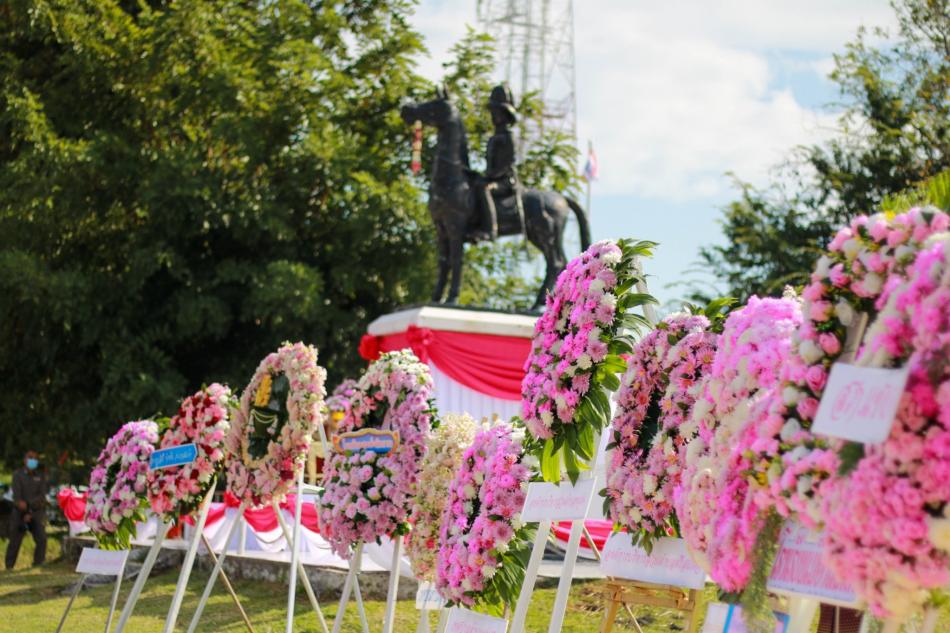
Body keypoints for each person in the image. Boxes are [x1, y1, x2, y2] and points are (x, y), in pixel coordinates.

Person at [475, 84, 519, 242]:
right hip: (493, 177)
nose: (493, 115)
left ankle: (490, 229)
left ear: (505, 114)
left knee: (485, 189)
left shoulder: (508, 136)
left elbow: (508, 164)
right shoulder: (494, 137)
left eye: (496, 111)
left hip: (505, 181)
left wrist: (491, 176)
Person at [5, 450, 48, 570]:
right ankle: (9, 567)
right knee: (14, 541)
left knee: (42, 539)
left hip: (36, 512)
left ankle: (38, 564)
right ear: (25, 460)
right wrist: (24, 510)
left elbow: (42, 496)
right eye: (30, 457)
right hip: (19, 512)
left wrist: (30, 510)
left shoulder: (41, 476)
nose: (32, 460)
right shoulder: (17, 475)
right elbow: (17, 497)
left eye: (35, 458)